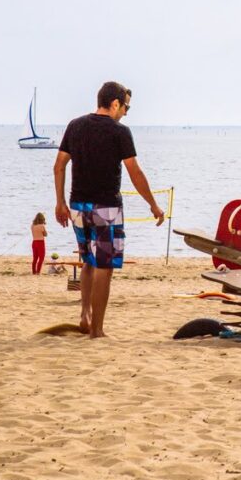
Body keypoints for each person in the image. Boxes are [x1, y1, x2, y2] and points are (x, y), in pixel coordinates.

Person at [54, 82, 165, 339]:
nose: (126, 112)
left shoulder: (75, 125)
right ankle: (97, 330)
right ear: (115, 103)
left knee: (88, 262)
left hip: (78, 205)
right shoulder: (119, 132)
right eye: (126, 106)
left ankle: (85, 315)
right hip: (107, 207)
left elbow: (59, 166)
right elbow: (135, 173)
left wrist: (59, 202)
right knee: (104, 266)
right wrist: (153, 205)